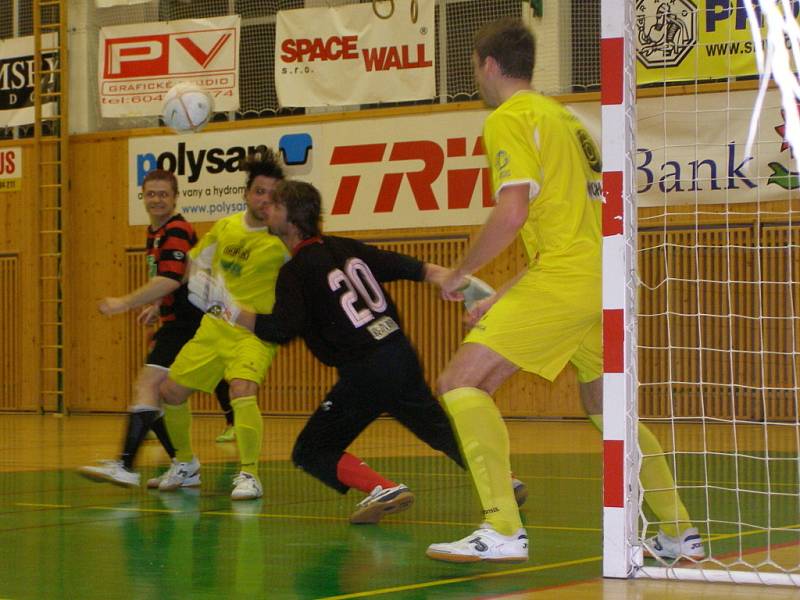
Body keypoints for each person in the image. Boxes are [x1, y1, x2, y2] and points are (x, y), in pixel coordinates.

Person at [425, 18, 704, 563]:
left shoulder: (511, 118)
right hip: (606, 277)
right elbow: (570, 232)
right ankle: (679, 532)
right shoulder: (569, 120)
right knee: (606, 406)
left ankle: (503, 527)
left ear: (487, 65)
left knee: (461, 380)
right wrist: (502, 296)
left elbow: (511, 215)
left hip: (570, 278)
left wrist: (458, 272)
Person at [191, 179, 528, 523]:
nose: (267, 211)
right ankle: (503, 481)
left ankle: (383, 489)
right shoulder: (343, 246)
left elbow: (280, 329)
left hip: (364, 370)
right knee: (439, 430)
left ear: (290, 219)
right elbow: (396, 264)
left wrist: (226, 309)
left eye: (274, 206)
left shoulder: (296, 271)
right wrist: (440, 275)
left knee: (311, 450)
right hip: (399, 355)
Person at [78, 169, 231, 488]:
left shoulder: (176, 229)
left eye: (163, 194)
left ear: (175, 197)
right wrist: (158, 305)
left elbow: (171, 278)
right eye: (151, 194)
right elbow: (184, 275)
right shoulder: (155, 232)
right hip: (177, 321)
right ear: (143, 197)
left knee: (147, 385)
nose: (157, 199)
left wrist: (124, 302)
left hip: (190, 324)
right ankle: (184, 465)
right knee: (157, 392)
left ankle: (126, 465)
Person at [157, 150, 289, 501]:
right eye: (260, 191)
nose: (265, 200)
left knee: (242, 388)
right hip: (214, 328)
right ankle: (185, 465)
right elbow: (194, 263)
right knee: (170, 391)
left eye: (274, 195)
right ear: (247, 193)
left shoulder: (284, 239)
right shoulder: (226, 227)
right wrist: (200, 285)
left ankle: (249, 473)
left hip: (252, 333)